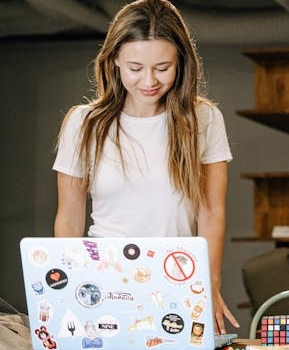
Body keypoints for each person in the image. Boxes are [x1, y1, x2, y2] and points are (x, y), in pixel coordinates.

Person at [52, 0, 238, 334]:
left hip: (178, 280)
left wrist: (209, 284)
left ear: (181, 62)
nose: (149, 80)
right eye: (135, 68)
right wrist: (70, 289)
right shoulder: (84, 124)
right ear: (114, 62)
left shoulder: (204, 119)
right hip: (101, 282)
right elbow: (69, 218)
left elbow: (212, 212)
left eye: (162, 67)